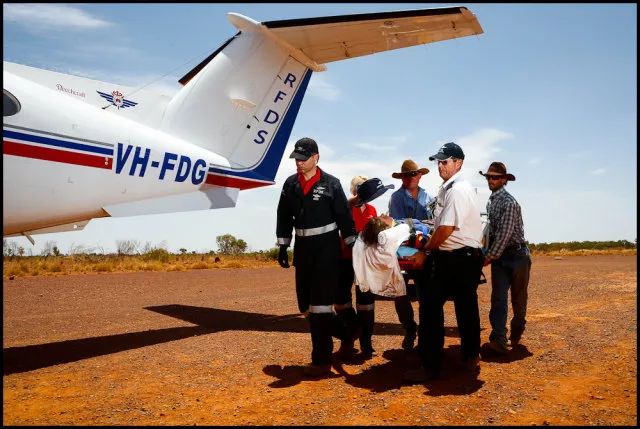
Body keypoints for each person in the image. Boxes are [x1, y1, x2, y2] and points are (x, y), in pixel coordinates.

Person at [276, 137, 357, 377]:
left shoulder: (332, 184)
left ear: (316, 157)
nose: (299, 163)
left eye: (303, 159)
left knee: (321, 307)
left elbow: (344, 217)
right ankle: (349, 331)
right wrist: (283, 245)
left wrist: (353, 247)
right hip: (302, 250)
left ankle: (321, 361)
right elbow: (283, 215)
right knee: (306, 308)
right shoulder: (290, 184)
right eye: (296, 159)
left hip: (327, 250)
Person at [404, 142, 484, 382]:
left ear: (458, 163)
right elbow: (439, 224)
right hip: (460, 255)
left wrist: (425, 252)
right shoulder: (451, 188)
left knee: (432, 307)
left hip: (458, 256)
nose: (440, 166)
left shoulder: (457, 190)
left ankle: (433, 365)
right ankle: (468, 357)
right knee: (464, 307)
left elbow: (446, 229)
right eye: (438, 162)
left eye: (445, 161)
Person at [335, 177, 394, 359]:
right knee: (341, 300)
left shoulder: (372, 210)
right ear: (354, 190)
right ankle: (350, 335)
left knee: (366, 303)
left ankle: (366, 343)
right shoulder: (346, 207)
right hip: (344, 258)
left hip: (365, 261)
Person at [479, 162, 532, 353]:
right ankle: (499, 338)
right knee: (498, 299)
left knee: (518, 299)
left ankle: (518, 327)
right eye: (488, 177)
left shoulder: (510, 203)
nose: (490, 180)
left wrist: (487, 257)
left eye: (494, 177)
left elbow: (504, 235)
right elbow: (490, 232)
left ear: (503, 180)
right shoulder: (491, 201)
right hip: (500, 258)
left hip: (517, 255)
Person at [388, 159, 435, 351]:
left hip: (424, 252)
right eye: (408, 175)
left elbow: (434, 222)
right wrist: (421, 224)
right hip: (403, 252)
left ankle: (425, 334)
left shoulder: (429, 197)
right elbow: (397, 223)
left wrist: (415, 224)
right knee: (400, 293)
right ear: (403, 178)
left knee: (428, 294)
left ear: (420, 175)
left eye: (414, 174)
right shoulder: (396, 198)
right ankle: (409, 328)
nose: (411, 177)